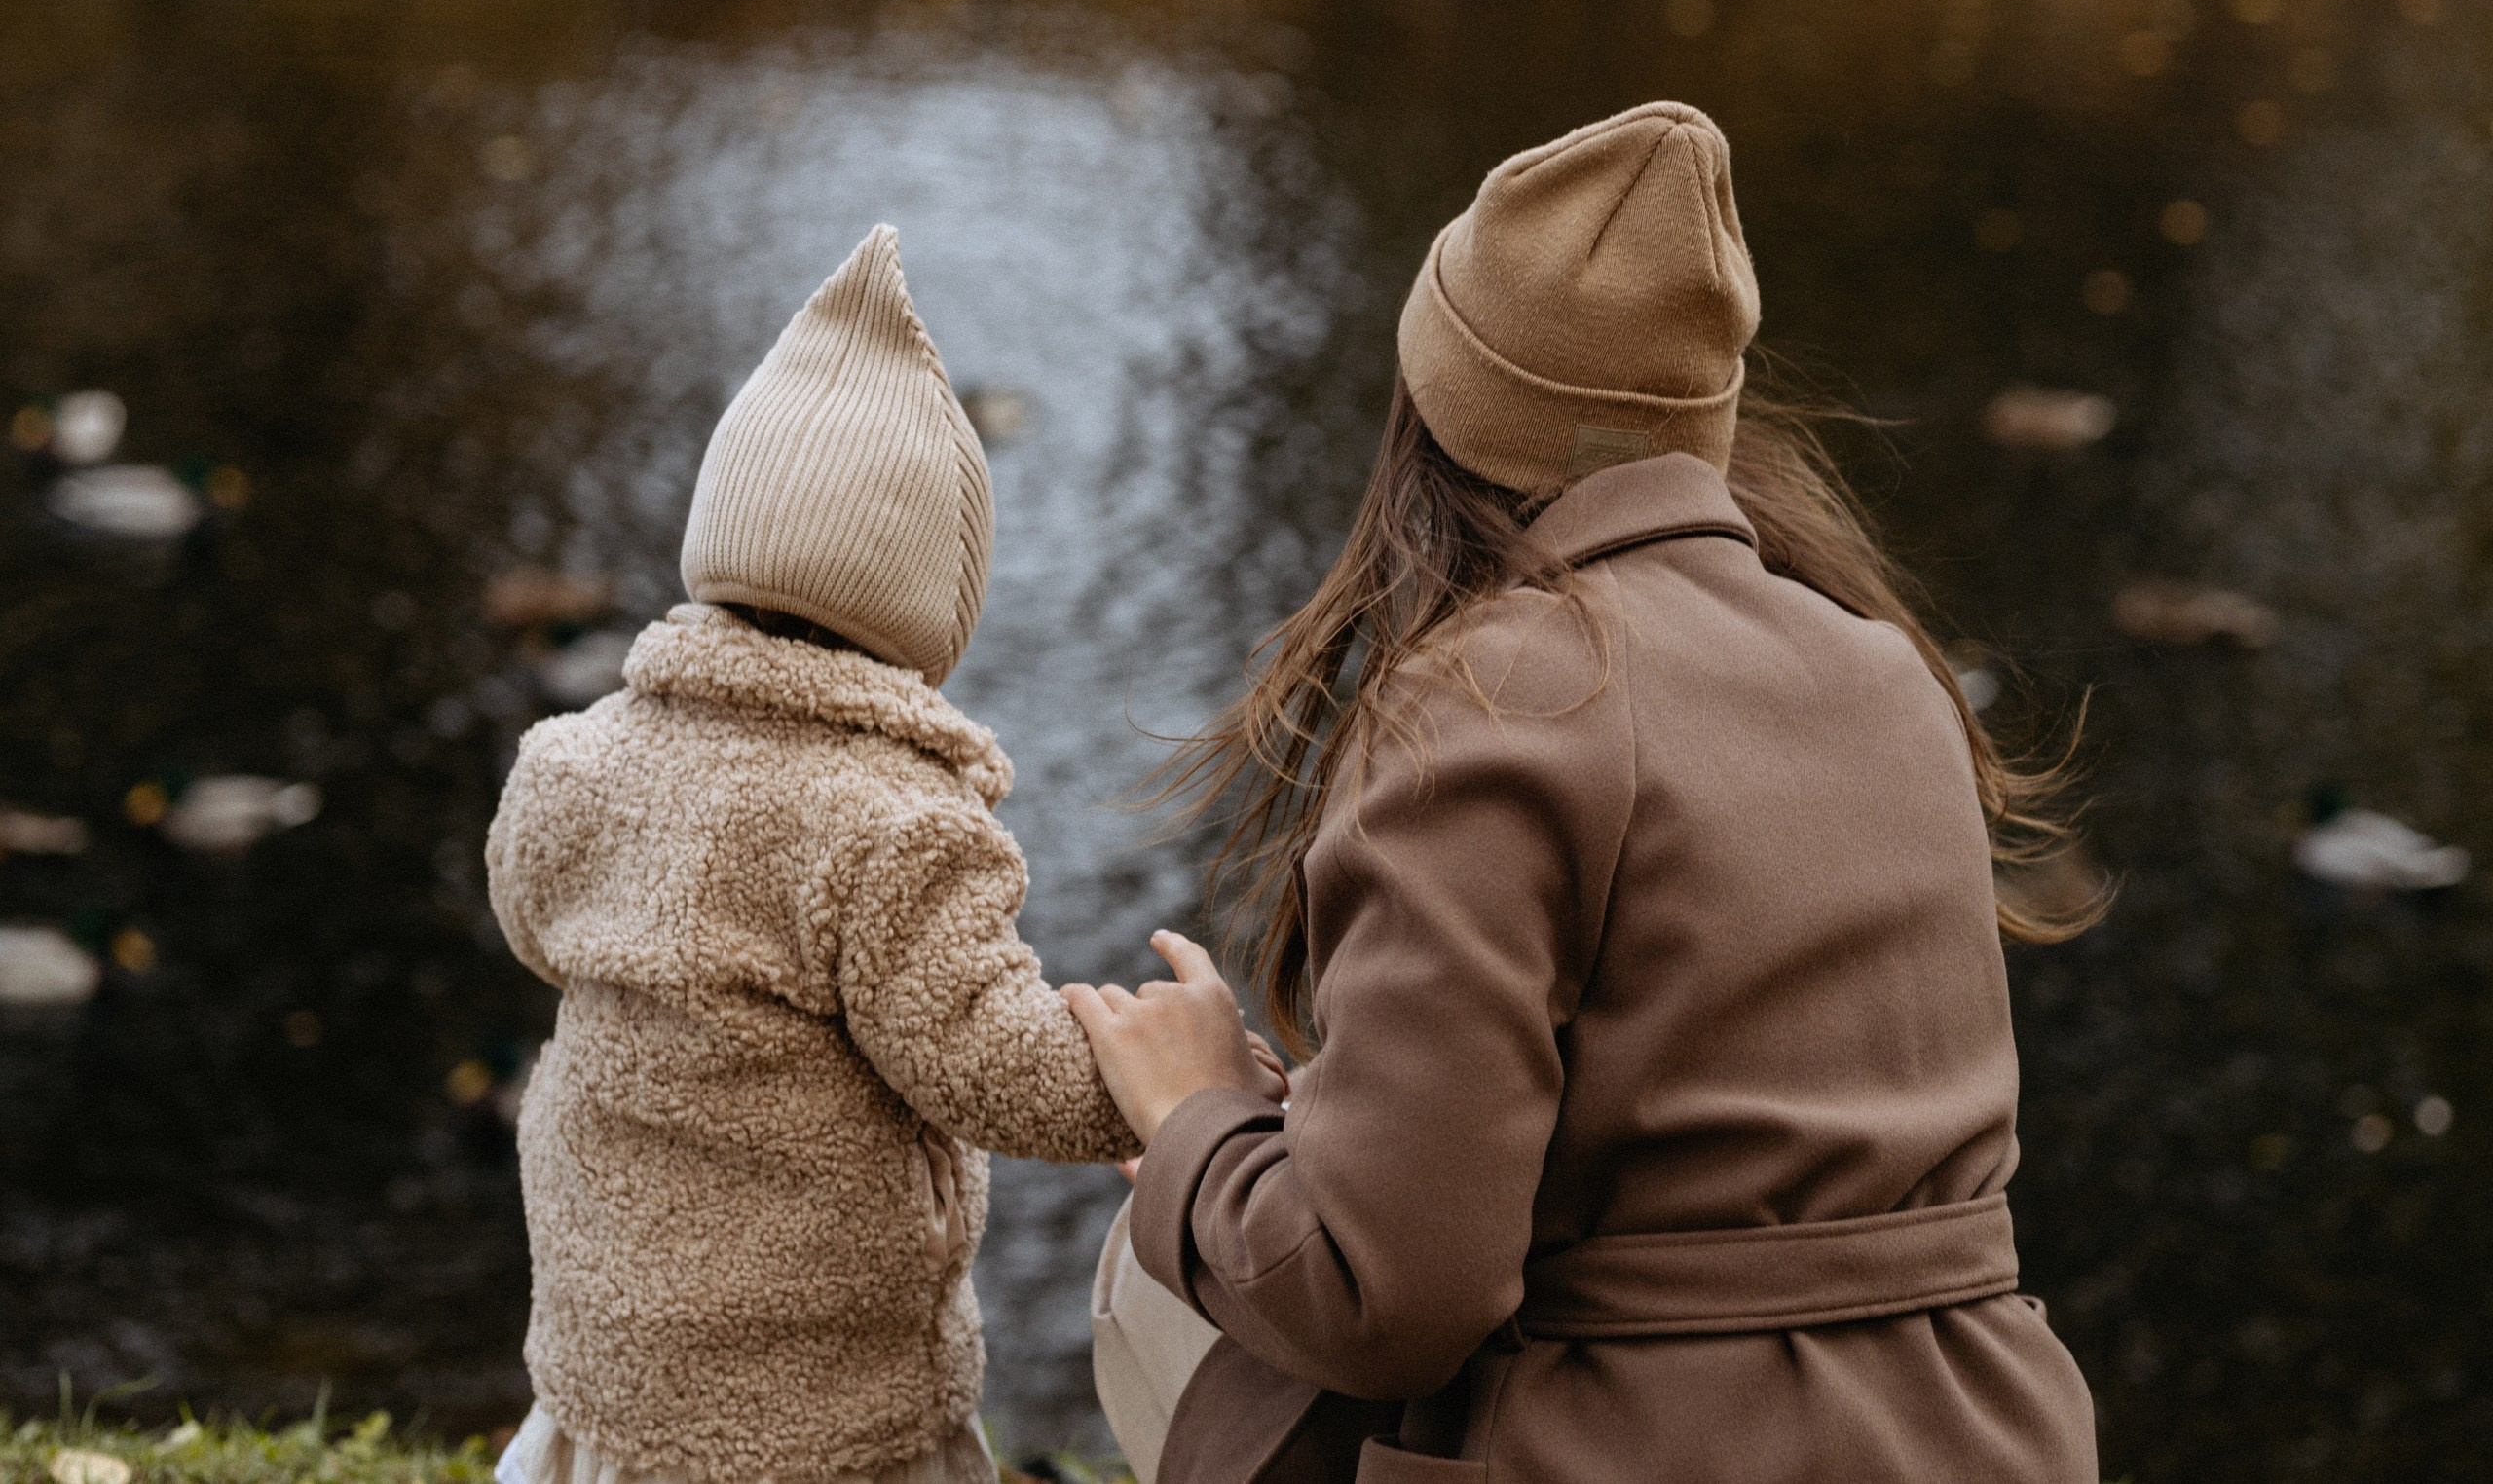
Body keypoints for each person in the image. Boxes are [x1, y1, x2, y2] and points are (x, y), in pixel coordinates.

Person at [1065, 103, 2103, 1484]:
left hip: (1651, 1454)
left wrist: (1197, 1127)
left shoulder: (1491, 703)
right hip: (1989, 1438)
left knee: (1147, 1287)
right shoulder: (1887, 668)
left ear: (1440, 410)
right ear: (1704, 419)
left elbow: (1391, 1298)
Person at [483, 227, 1261, 1484]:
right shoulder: (892, 833)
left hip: (608, 1386)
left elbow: (533, 920)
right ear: (930, 606)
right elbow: (990, 1064)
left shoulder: (573, 766)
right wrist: (1170, 1085)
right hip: (815, 1419)